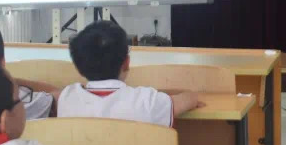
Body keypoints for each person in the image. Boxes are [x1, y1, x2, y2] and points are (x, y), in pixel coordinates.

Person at [58, 20, 202, 124]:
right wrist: (190, 95)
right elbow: (189, 99)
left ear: (78, 68)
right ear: (126, 63)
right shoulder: (147, 101)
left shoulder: (67, 99)